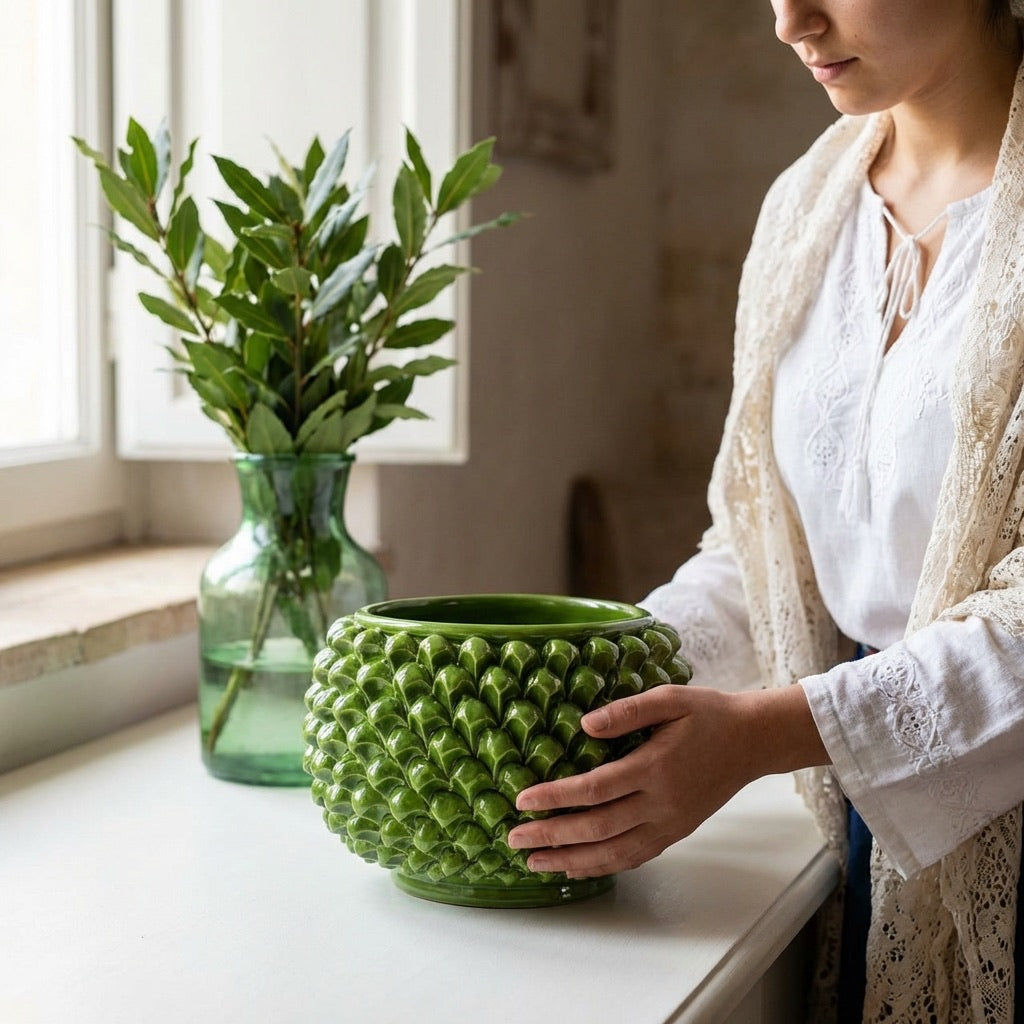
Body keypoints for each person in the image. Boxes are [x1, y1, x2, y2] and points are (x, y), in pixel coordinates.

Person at [505, 2, 1024, 1021]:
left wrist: (760, 735)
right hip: (875, 810)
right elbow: (765, 551)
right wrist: (604, 675)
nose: (791, 21)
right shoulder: (806, 208)